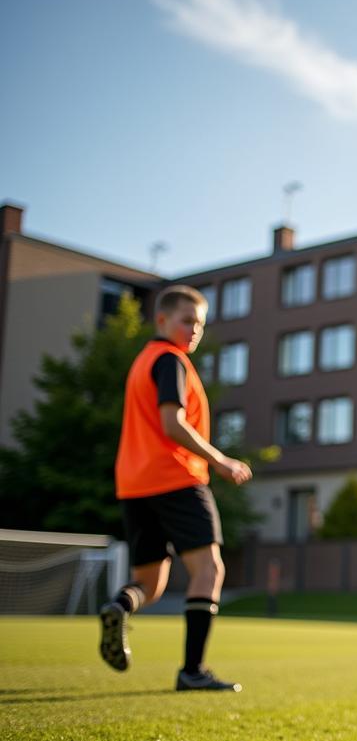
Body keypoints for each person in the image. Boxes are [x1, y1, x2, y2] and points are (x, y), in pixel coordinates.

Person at [98, 285, 252, 691]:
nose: (194, 331)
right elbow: (172, 423)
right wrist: (220, 460)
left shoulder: (143, 361)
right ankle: (193, 671)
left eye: (200, 324)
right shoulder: (171, 361)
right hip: (176, 478)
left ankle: (118, 607)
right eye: (187, 321)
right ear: (161, 320)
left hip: (135, 485)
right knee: (210, 569)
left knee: (149, 584)